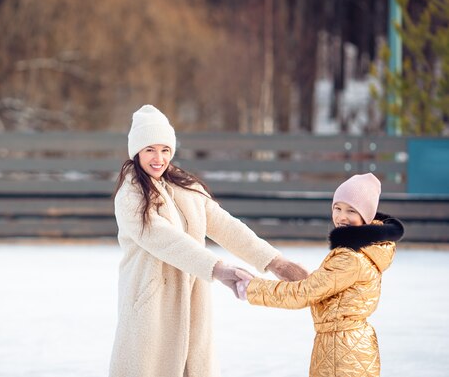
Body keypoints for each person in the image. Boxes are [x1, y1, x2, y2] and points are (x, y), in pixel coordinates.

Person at [108, 104, 308, 377]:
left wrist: (275, 261)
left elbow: (226, 226)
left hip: (192, 300)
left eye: (165, 149)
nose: (159, 158)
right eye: (150, 150)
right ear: (137, 152)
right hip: (150, 307)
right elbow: (166, 240)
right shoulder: (130, 195)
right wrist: (218, 268)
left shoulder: (186, 188)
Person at [235, 173, 405, 377]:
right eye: (338, 208)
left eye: (352, 210)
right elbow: (330, 291)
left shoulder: (350, 258)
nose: (342, 216)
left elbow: (303, 294)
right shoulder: (366, 250)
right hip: (350, 345)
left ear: (366, 216)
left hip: (341, 352)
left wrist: (252, 287)